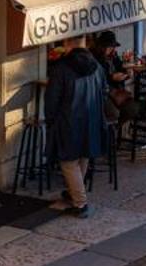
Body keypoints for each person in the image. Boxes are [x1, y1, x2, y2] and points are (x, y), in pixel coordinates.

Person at [43, 37, 106, 217]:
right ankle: (74, 192)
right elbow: (104, 90)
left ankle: (80, 203)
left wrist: (50, 121)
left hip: (68, 120)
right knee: (82, 156)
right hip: (91, 119)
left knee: (68, 162)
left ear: (67, 44)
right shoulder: (96, 66)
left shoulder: (61, 69)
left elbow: (52, 99)